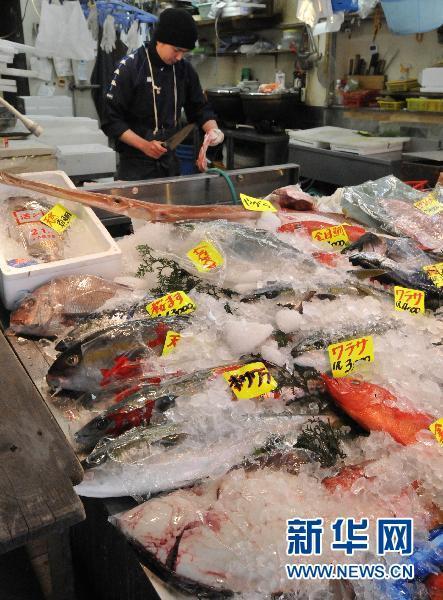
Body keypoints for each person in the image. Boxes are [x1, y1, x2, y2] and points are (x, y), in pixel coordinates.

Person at [101, 8, 224, 181]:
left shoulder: (184, 70)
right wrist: (144, 145)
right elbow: (111, 120)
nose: (180, 57)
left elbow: (199, 108)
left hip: (170, 161)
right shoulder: (130, 68)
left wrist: (213, 130)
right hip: (135, 164)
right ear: (160, 40)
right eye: (176, 50)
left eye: (184, 52)